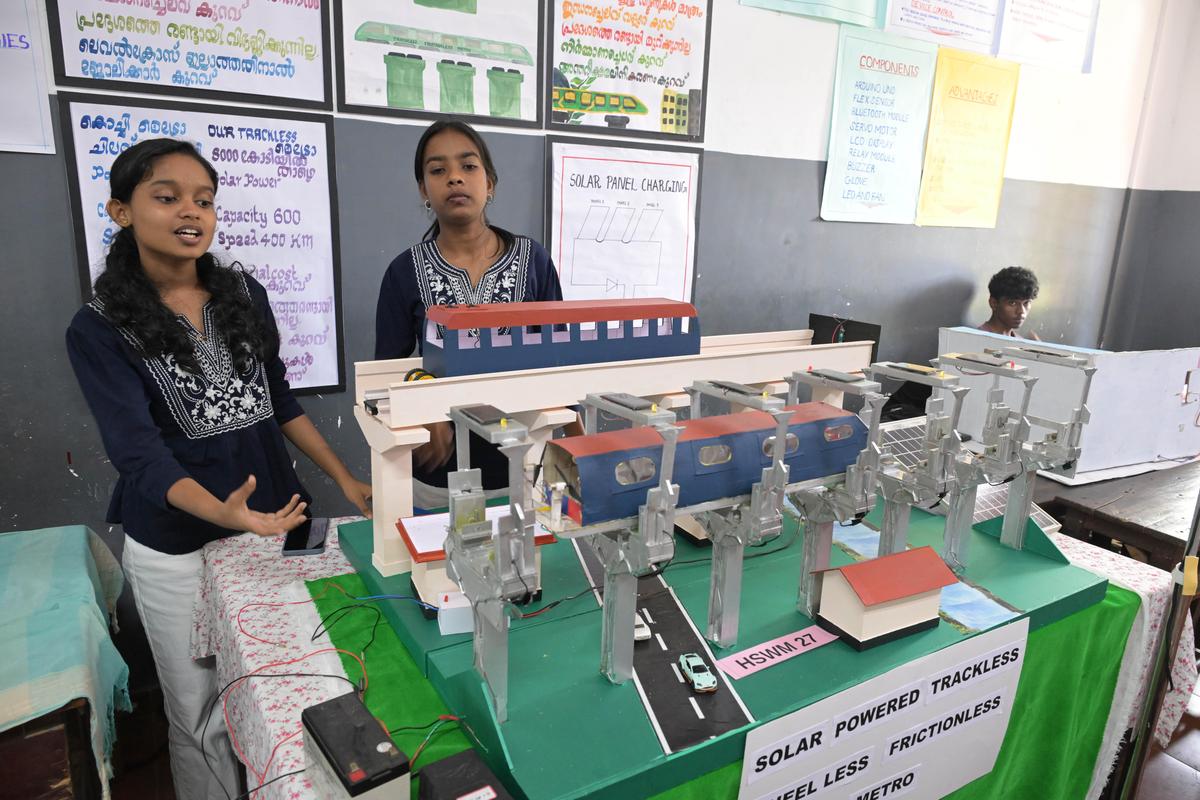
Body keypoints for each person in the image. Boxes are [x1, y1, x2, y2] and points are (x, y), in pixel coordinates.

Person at [66, 138, 370, 800]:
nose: (191, 212)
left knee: (298, 685)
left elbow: (280, 401)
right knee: (202, 716)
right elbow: (137, 453)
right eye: (166, 196)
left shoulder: (241, 294)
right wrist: (221, 513)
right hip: (177, 547)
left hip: (272, 530)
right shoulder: (98, 328)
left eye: (204, 200)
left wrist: (344, 478)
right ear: (122, 211)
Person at [375, 120, 565, 510]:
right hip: (437, 479)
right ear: (423, 190)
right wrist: (419, 409)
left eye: (468, 166)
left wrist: (576, 448)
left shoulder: (534, 261)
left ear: (490, 183)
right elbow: (387, 373)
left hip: (524, 469)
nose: (455, 179)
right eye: (438, 170)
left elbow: (561, 359)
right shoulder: (403, 272)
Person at [979, 265, 1040, 340]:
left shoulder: (1021, 343)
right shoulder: (977, 338)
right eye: (1013, 303)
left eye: (1026, 303)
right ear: (993, 303)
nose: (1021, 311)